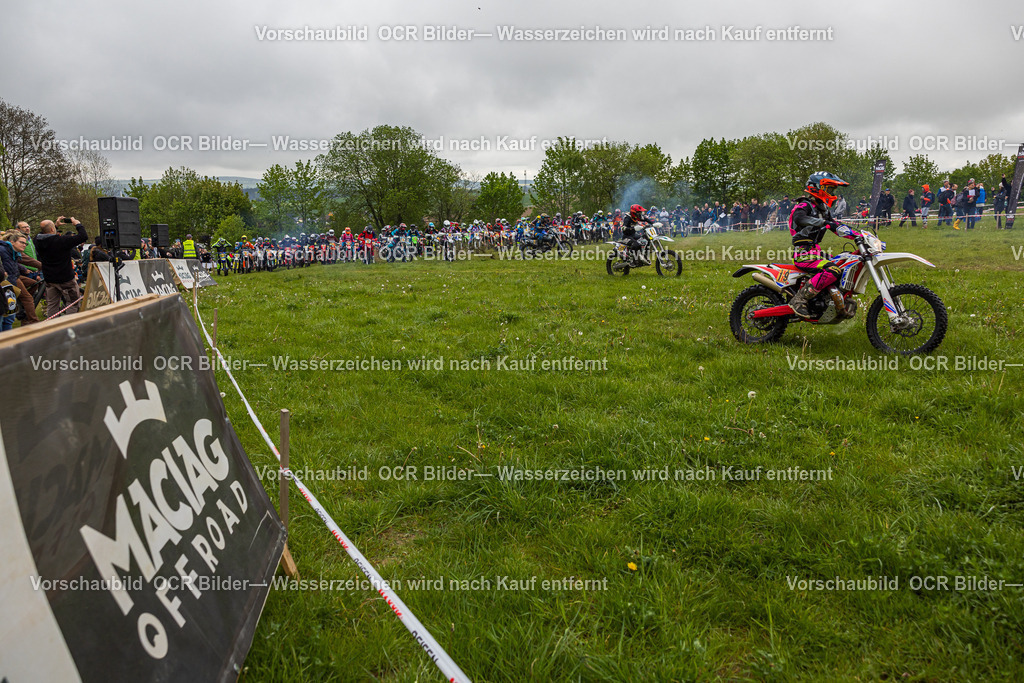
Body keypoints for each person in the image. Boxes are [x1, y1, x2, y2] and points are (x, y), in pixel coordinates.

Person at [787, 172, 862, 319]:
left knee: (843, 264)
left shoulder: (822, 209)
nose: (832, 193)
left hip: (816, 252)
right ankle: (799, 299)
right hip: (804, 253)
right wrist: (823, 222)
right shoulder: (804, 205)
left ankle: (831, 300)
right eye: (829, 189)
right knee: (833, 270)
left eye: (833, 190)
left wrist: (858, 235)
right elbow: (799, 218)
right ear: (817, 188)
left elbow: (835, 226)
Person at [34, 216, 87, 317]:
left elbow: (41, 234)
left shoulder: (37, 241)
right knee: (73, 303)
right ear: (52, 229)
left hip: (50, 279)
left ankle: (53, 327)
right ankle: (68, 325)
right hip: (65, 279)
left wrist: (55, 225)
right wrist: (77, 224)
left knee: (52, 305)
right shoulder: (62, 241)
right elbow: (83, 236)